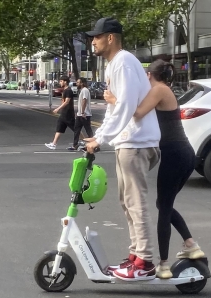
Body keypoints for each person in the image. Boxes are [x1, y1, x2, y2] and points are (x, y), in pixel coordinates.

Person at [103, 59, 205, 279]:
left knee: (164, 207)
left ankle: (164, 264)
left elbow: (137, 112)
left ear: (149, 75)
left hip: (176, 153)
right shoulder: (162, 89)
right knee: (162, 204)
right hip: (178, 153)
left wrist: (114, 99)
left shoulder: (159, 89)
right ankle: (190, 244)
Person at [84, 17, 161, 281]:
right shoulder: (115, 65)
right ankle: (135, 256)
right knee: (127, 202)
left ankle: (146, 262)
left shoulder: (124, 62)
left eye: (96, 36)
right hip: (127, 142)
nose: (92, 41)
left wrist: (101, 139)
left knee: (136, 203)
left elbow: (126, 105)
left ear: (111, 38)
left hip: (136, 142)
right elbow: (112, 108)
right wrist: (98, 136)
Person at [45, 75, 75, 150]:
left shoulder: (68, 91)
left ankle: (85, 141)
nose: (60, 83)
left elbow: (67, 102)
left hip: (68, 113)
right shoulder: (65, 90)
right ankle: (54, 144)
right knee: (59, 128)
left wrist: (58, 109)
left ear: (65, 82)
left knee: (75, 129)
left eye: (61, 81)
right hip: (64, 113)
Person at [68, 78, 94, 151]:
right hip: (80, 114)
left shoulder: (85, 90)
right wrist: (79, 113)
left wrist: (82, 112)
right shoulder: (82, 90)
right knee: (76, 130)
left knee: (88, 130)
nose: (76, 83)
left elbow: (84, 101)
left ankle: (94, 144)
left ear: (82, 83)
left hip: (85, 114)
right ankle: (75, 145)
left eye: (78, 82)